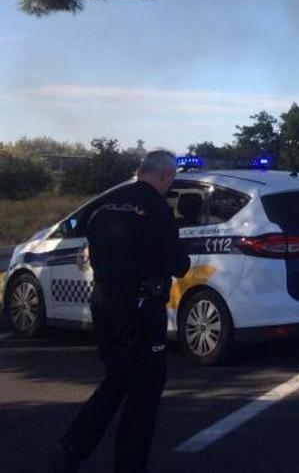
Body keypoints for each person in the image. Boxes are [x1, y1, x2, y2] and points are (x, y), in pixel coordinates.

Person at [53, 150, 191, 473]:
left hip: (104, 302)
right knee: (146, 385)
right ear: (163, 176)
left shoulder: (105, 205)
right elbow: (177, 263)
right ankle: (129, 463)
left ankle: (72, 447)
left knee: (116, 378)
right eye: (170, 179)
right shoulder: (156, 209)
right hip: (140, 309)